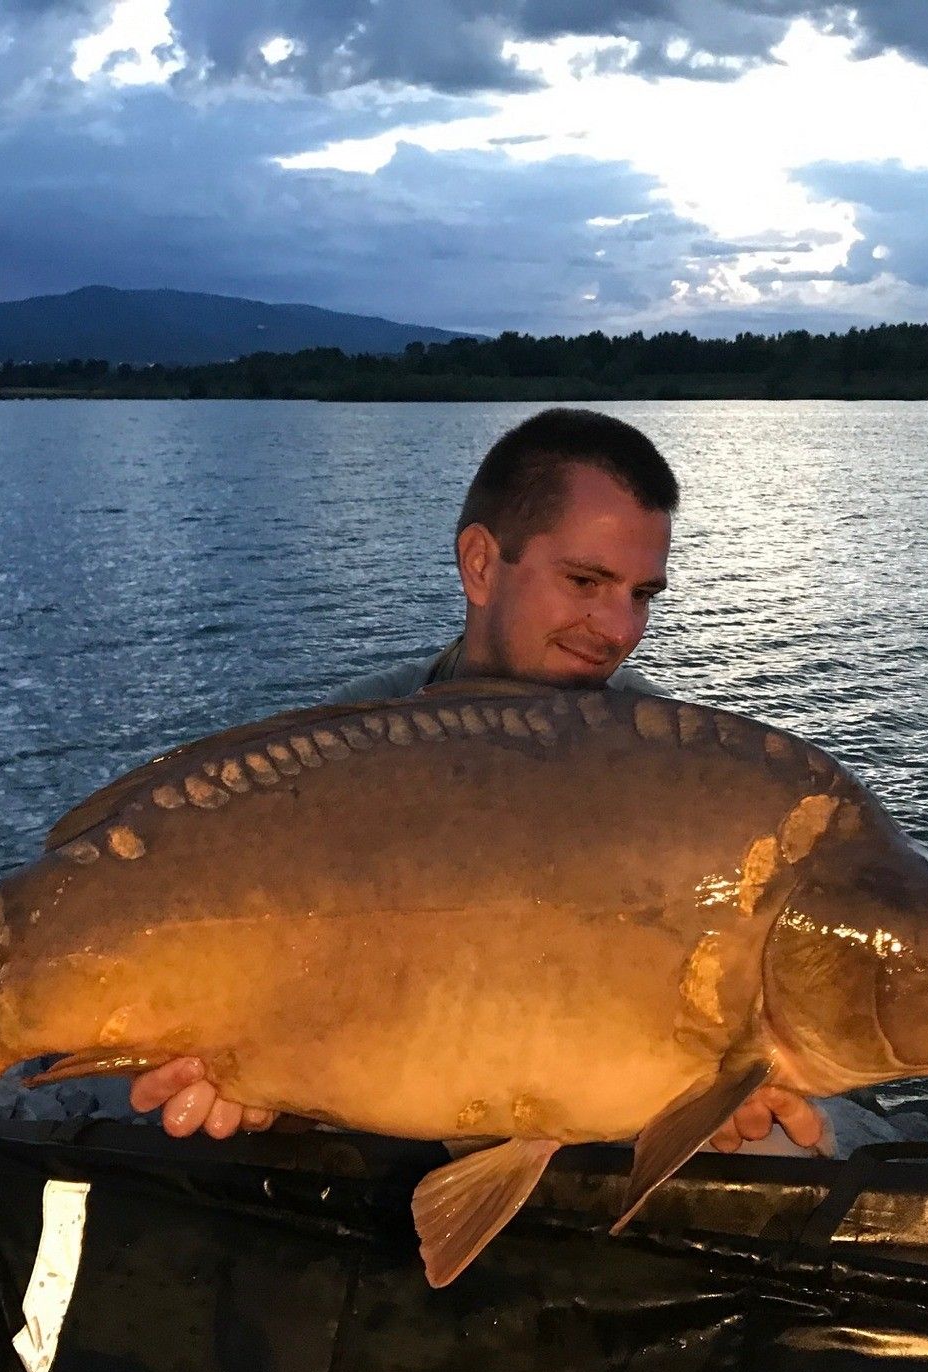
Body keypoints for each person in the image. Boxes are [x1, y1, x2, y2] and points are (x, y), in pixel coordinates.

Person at [128, 408, 831, 1157]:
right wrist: (259, 1086)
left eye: (642, 594)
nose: (619, 628)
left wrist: (728, 1094)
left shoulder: (678, 775)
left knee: (784, 1148)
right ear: (481, 565)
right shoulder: (342, 755)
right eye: (586, 581)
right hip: (390, 1112)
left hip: (592, 1119)